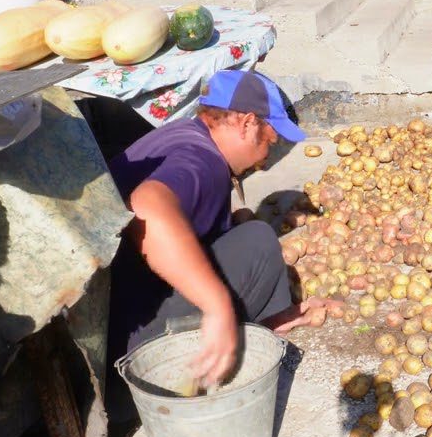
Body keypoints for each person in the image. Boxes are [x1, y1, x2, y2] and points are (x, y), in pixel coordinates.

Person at [106, 69, 325, 396]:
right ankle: (230, 344)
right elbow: (146, 206)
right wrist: (217, 305)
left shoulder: (182, 134)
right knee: (258, 240)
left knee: (238, 232)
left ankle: (265, 324)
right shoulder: (203, 162)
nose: (265, 161)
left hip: (112, 322)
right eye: (270, 142)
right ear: (248, 123)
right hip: (132, 358)